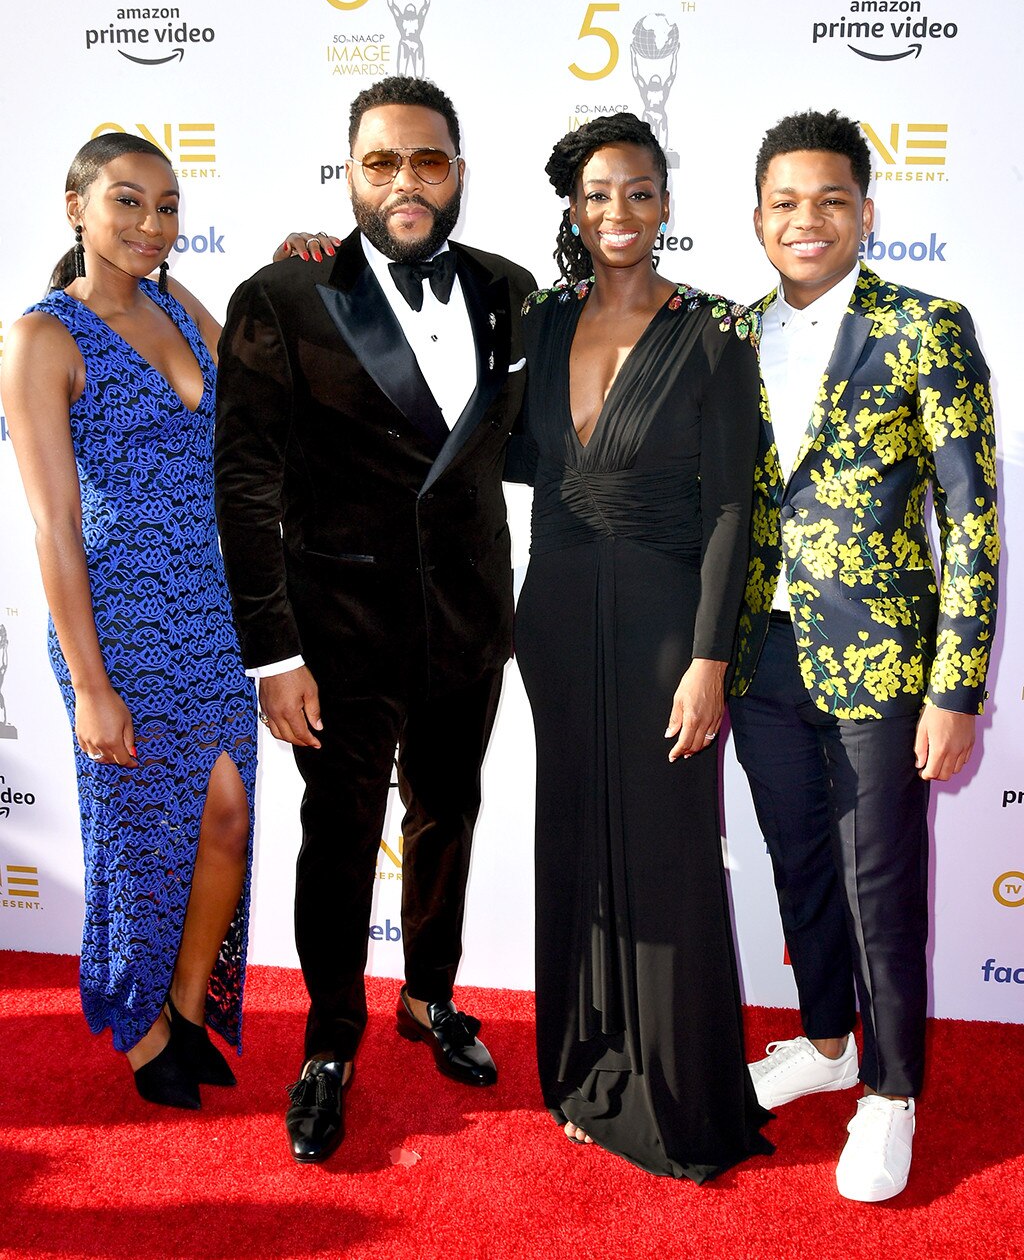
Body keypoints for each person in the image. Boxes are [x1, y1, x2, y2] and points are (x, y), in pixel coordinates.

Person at [215, 76, 536, 1164]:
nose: (407, 181)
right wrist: (274, 651)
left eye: (428, 161)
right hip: (336, 627)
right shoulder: (282, 295)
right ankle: (330, 1037)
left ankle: (431, 996)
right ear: (348, 173)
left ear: (458, 171)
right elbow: (245, 482)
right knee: (343, 835)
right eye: (383, 162)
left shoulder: (507, 287)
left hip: (468, 618)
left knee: (448, 810)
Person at [729, 109, 999, 1202]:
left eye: (830, 200)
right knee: (798, 861)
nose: (808, 219)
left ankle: (889, 1091)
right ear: (757, 220)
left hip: (885, 661)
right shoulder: (729, 333)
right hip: (761, 655)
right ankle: (827, 1041)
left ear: (865, 212)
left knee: (878, 879)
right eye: (785, 202)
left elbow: (972, 517)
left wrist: (957, 686)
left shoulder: (927, 325)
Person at [509, 112, 773, 1180]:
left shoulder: (711, 333)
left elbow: (730, 510)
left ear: (666, 203)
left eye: (639, 191)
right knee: (574, 836)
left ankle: (676, 1087)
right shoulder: (533, 322)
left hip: (669, 618)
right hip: (556, 614)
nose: (618, 211)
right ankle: (584, 1061)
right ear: (572, 206)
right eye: (598, 192)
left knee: (665, 850)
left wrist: (708, 657)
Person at [1, 133, 257, 1110]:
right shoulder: (41, 337)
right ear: (76, 206)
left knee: (226, 809)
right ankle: (140, 1024)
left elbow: (252, 383)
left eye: (165, 206)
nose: (151, 225)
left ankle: (187, 1009)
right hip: (117, 616)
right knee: (134, 828)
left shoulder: (176, 306)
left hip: (209, 600)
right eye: (126, 202)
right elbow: (54, 523)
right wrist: (92, 686)